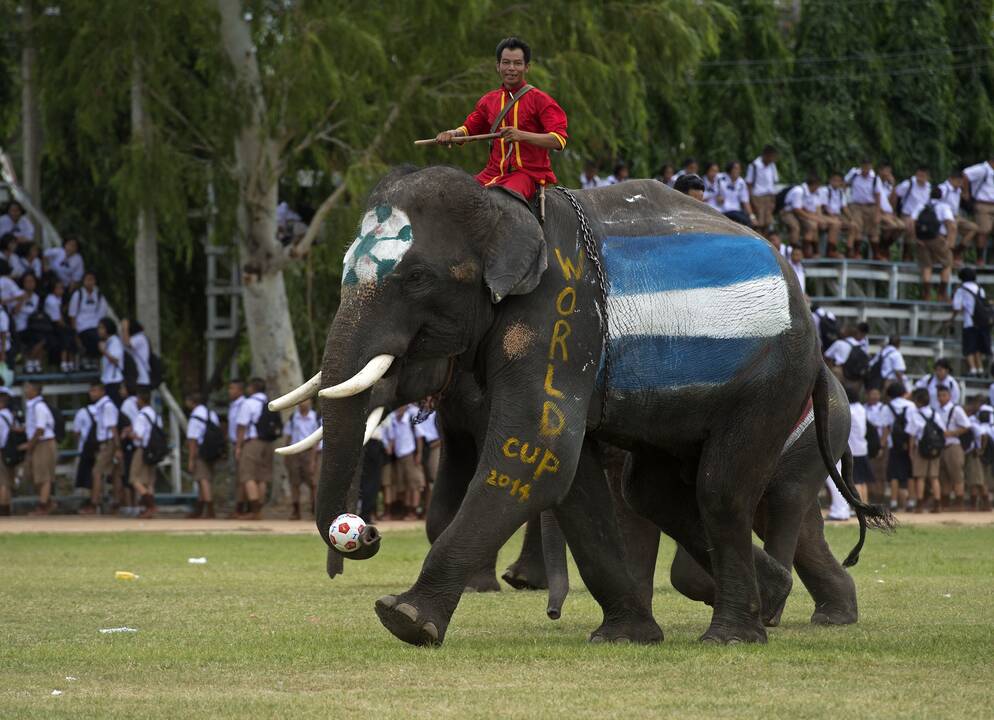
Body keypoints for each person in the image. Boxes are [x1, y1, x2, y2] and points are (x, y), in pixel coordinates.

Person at [433, 37, 567, 202]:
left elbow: (559, 140)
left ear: (527, 67)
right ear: (498, 66)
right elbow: (468, 129)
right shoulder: (488, 101)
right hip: (491, 173)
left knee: (500, 202)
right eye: (506, 63)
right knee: (456, 198)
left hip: (527, 176)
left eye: (517, 63)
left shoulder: (541, 100)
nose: (511, 68)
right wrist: (450, 134)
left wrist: (521, 135)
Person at [235, 378, 273, 520]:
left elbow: (241, 426)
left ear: (252, 388)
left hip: (253, 442)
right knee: (262, 478)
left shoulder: (248, 403)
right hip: (268, 443)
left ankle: (255, 511)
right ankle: (259, 509)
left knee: (248, 476)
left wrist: (238, 446)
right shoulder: (269, 402)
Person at [79, 382, 119, 515]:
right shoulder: (100, 407)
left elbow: (113, 428)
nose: (92, 394)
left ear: (102, 391)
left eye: (95, 390)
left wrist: (117, 447)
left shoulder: (107, 406)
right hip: (103, 443)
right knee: (109, 474)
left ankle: (94, 503)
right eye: (91, 391)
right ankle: (110, 502)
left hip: (108, 443)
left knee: (97, 472)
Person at [21, 380, 56, 515]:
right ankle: (48, 502)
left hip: (43, 443)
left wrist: (30, 445)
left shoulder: (39, 406)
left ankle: (42, 507)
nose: (25, 391)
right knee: (35, 475)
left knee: (44, 476)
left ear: (35, 391)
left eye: (28, 388)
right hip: (38, 442)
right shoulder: (32, 406)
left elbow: (40, 429)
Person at [281, 399, 320, 520]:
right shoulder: (293, 418)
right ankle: (296, 510)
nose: (303, 403)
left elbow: (317, 440)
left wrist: (313, 460)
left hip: (310, 452)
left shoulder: (316, 417)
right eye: (301, 401)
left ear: (310, 402)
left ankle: (315, 510)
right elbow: (288, 436)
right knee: (294, 482)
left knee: (314, 482)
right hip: (295, 452)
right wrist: (286, 455)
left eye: (306, 401)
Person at [185, 392, 221, 519]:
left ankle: (210, 509)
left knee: (202, 479)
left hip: (201, 451)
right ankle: (199, 509)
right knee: (206, 479)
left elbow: (193, 440)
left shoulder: (195, 417)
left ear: (191, 402)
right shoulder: (210, 414)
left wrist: (191, 459)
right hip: (213, 451)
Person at [882, 382, 917, 512]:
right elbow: (913, 428)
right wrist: (912, 448)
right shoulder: (911, 406)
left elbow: (886, 427)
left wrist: (882, 444)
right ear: (903, 392)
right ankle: (912, 501)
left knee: (894, 475)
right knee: (910, 475)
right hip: (909, 445)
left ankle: (893, 501)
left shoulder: (887, 407)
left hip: (894, 445)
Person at [937, 384, 970, 511]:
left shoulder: (956, 409)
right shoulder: (937, 410)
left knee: (957, 476)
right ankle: (945, 504)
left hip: (953, 445)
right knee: (943, 476)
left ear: (950, 396)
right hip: (941, 446)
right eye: (939, 395)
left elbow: (966, 426)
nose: (941, 398)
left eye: (944, 395)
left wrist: (952, 433)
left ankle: (959, 504)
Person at [389, 404, 425, 519]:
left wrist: (418, 454)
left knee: (414, 485)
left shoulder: (411, 419)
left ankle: (413, 511)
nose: (399, 408)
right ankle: (405, 510)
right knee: (403, 485)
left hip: (410, 455)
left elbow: (419, 437)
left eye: (402, 407)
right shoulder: (393, 419)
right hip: (399, 456)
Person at [781, 174, 831, 258]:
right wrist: (812, 218)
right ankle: (794, 251)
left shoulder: (814, 193)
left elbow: (814, 208)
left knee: (812, 225)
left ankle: (809, 251)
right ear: (814, 184)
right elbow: (796, 209)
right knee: (795, 227)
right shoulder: (799, 191)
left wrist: (819, 219)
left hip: (802, 212)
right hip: (788, 212)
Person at [909, 387, 941, 513]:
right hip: (935, 449)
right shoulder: (935, 413)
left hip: (921, 449)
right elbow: (941, 430)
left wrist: (911, 451)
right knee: (934, 477)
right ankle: (937, 504)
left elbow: (912, 434)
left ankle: (919, 505)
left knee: (920, 477)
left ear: (917, 400)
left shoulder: (915, 415)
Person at [129, 389, 160, 519]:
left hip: (143, 449)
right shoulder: (155, 414)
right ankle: (149, 509)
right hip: (154, 449)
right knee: (149, 481)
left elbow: (138, 436)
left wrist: (129, 434)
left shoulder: (141, 416)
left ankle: (151, 506)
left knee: (134, 479)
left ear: (141, 401)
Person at [67, 272, 107, 368]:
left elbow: (102, 313)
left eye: (92, 279)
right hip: (82, 327)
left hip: (95, 326)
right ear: (83, 281)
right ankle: (88, 358)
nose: (90, 282)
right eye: (87, 279)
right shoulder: (78, 295)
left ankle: (94, 359)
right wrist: (75, 331)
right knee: (92, 338)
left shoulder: (99, 295)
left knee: (101, 338)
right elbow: (72, 314)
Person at [845, 160, 883, 259]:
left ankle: (876, 253)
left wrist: (878, 212)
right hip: (856, 205)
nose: (866, 169)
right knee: (858, 226)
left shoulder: (875, 179)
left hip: (871, 206)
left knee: (874, 229)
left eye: (868, 167)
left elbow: (878, 195)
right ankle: (856, 252)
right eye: (864, 167)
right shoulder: (854, 175)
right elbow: (844, 184)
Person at [937, 170, 977, 262]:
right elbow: (935, 204)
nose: (960, 184)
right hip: (944, 217)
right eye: (958, 181)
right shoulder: (943, 189)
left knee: (974, 228)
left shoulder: (958, 191)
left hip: (955, 216)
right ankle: (948, 256)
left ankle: (957, 252)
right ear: (951, 179)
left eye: (961, 182)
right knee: (953, 227)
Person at [963, 156, 994, 263]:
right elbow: (966, 174)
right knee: (983, 231)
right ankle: (980, 258)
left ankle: (990, 259)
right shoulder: (982, 169)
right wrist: (966, 193)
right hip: (983, 203)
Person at [894, 166, 932, 250]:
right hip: (907, 214)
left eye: (923, 176)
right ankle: (907, 253)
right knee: (910, 227)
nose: (920, 178)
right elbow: (896, 193)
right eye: (919, 175)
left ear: (927, 177)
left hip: (922, 216)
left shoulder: (929, 188)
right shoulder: (908, 184)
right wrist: (894, 211)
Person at [12, 272, 43, 374]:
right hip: (19, 327)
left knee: (44, 337)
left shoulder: (36, 297)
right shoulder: (17, 294)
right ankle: (29, 361)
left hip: (33, 326)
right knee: (31, 337)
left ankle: (33, 360)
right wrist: (21, 300)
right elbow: (14, 312)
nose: (30, 284)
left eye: (32, 281)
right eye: (27, 281)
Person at [864, 387, 891, 503]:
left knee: (880, 473)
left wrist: (881, 446)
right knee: (869, 472)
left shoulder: (884, 408)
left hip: (880, 445)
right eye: (872, 394)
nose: (874, 396)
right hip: (866, 446)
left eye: (876, 394)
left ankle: (880, 497)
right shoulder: (863, 408)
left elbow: (886, 428)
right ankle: (870, 496)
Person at [846, 385, 872, 503]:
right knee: (862, 480)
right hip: (862, 447)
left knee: (854, 480)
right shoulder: (861, 408)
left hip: (853, 448)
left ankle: (859, 504)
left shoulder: (849, 410)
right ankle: (865, 503)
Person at [966, 399, 994, 511]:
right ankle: (979, 504)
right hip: (987, 455)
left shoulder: (980, 424)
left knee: (978, 480)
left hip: (980, 454)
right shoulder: (979, 422)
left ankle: (984, 504)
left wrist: (980, 450)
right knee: (976, 480)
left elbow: (983, 436)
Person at [746, 145, 779, 235]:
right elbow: (749, 184)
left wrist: (773, 200)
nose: (773, 159)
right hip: (758, 196)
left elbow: (774, 183)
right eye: (772, 156)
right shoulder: (754, 165)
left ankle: (766, 241)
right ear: (766, 155)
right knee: (759, 222)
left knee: (768, 222)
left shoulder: (772, 166)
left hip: (769, 196)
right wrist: (751, 200)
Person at [819, 172, 853, 257]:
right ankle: (831, 250)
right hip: (825, 215)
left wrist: (851, 218)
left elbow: (844, 208)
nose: (836, 183)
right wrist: (833, 217)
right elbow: (824, 207)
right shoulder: (825, 190)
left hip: (837, 216)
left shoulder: (841, 193)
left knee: (853, 226)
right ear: (830, 180)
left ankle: (849, 251)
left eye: (838, 181)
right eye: (834, 180)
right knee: (836, 224)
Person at [44, 279, 75, 372]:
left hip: (58, 324)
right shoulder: (51, 300)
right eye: (59, 288)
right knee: (67, 334)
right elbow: (58, 320)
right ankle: (64, 362)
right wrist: (69, 328)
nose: (62, 290)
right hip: (51, 326)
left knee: (70, 333)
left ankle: (70, 362)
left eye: (62, 288)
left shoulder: (60, 298)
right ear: (53, 289)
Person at [226, 379, 247, 517]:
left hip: (243, 444)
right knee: (239, 476)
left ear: (240, 390)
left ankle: (243, 508)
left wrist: (238, 446)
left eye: (232, 388)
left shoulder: (244, 405)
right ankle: (241, 507)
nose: (230, 391)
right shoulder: (233, 405)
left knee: (244, 477)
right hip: (234, 442)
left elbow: (241, 426)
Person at [415, 410, 440, 514]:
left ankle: (434, 509)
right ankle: (426, 509)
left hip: (435, 446)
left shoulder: (437, 415)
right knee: (424, 482)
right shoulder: (419, 414)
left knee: (433, 480)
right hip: (423, 448)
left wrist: (434, 445)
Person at [876, 163, 905, 253]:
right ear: (880, 171)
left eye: (889, 172)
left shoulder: (887, 186)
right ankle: (881, 248)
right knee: (892, 226)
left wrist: (893, 187)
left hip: (889, 213)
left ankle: (886, 246)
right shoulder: (874, 182)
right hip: (879, 212)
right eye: (886, 171)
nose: (888, 174)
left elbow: (892, 203)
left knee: (902, 226)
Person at [716, 161, 754, 227]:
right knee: (743, 220)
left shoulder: (741, 182)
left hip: (736, 211)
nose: (738, 171)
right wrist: (717, 197)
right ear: (730, 169)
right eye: (736, 168)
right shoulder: (719, 178)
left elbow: (745, 201)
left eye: (739, 169)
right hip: (722, 210)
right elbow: (712, 191)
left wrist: (752, 216)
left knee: (749, 222)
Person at [97, 317, 124, 404]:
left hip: (114, 382)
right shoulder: (108, 342)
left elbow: (116, 360)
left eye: (102, 328)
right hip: (108, 382)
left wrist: (104, 351)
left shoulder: (114, 341)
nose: (99, 331)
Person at [0, 389, 18, 516]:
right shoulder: (11, 416)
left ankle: (3, 507)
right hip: (10, 451)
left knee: (2, 482)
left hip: (2, 450)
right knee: (8, 480)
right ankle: (8, 506)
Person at [121, 318, 151, 388]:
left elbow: (127, 343)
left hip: (142, 379)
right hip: (136, 377)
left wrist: (125, 328)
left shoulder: (140, 337)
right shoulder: (136, 338)